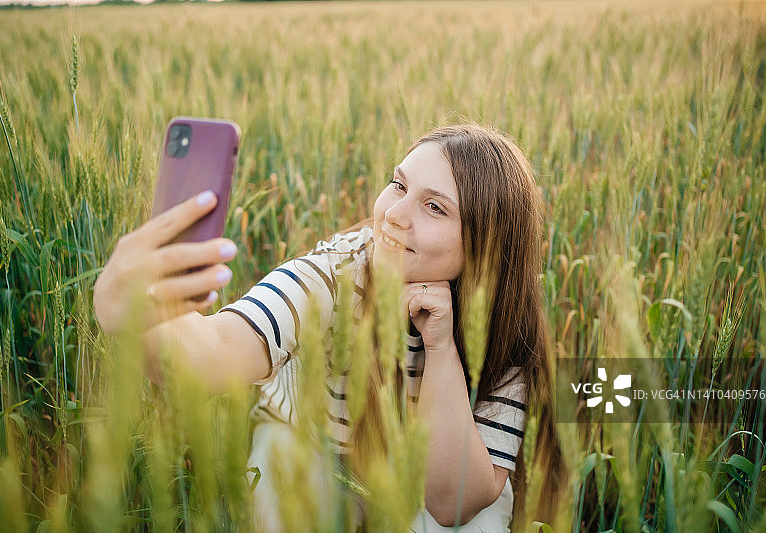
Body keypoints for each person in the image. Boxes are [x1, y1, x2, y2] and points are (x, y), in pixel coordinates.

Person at [93, 124, 566, 531]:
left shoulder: (505, 330)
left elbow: (454, 503)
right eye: (398, 185)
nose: (394, 215)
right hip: (313, 448)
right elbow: (215, 350)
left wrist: (441, 349)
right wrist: (132, 313)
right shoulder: (334, 273)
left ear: (485, 246)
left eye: (434, 208)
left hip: (419, 474)